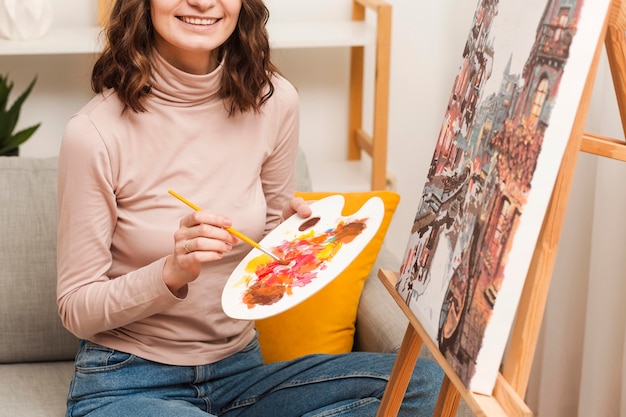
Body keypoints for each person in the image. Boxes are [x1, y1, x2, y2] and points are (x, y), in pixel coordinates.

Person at [56, 0, 444, 416]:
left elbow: (267, 257)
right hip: (128, 382)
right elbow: (75, 307)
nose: (203, 3)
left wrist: (297, 238)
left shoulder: (274, 102)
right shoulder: (94, 133)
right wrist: (169, 274)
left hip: (240, 374)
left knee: (427, 385)